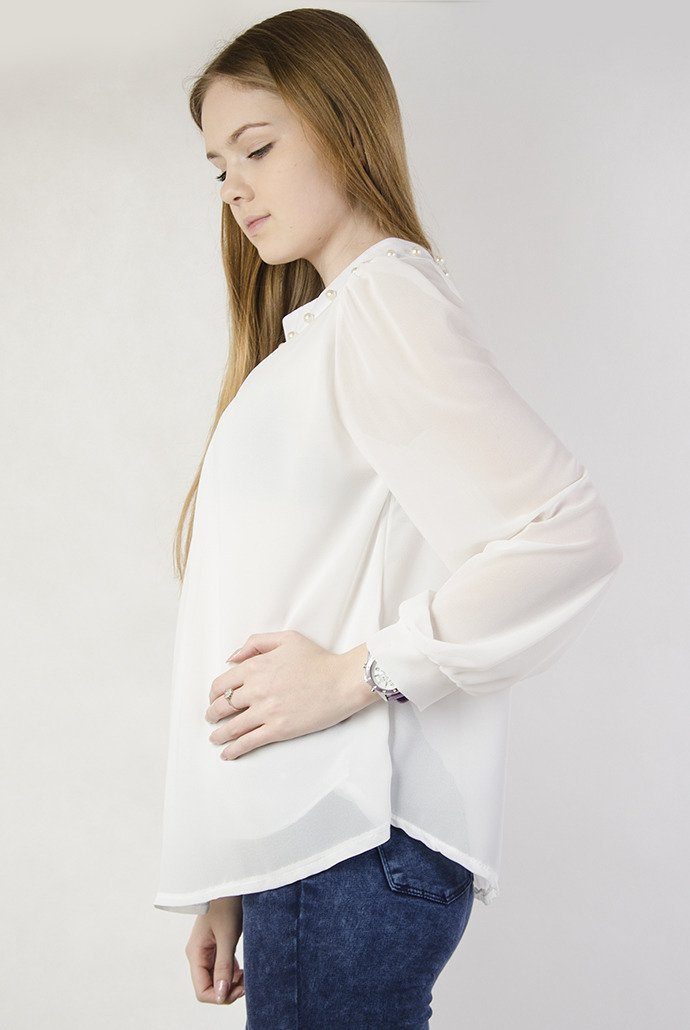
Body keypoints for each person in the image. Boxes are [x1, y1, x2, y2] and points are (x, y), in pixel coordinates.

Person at [153, 8, 624, 1027]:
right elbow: (278, 593)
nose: (233, 186)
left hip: (348, 846)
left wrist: (353, 673)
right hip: (310, 847)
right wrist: (229, 875)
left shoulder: (384, 304)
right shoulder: (324, 333)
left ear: (344, 125)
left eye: (258, 148)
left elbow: (565, 534)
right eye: (218, 166)